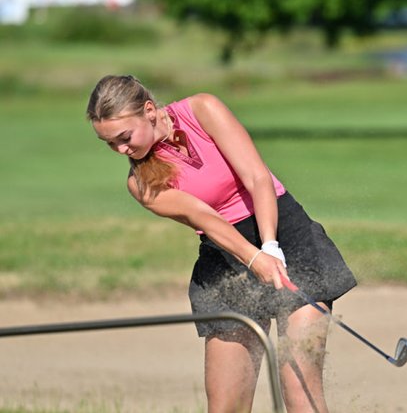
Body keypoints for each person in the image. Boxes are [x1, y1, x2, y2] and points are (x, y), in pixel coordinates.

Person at [86, 74, 357, 413]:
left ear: (149, 110)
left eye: (123, 138)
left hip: (288, 236)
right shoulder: (140, 183)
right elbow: (209, 221)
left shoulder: (203, 109)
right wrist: (254, 257)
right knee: (228, 405)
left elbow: (257, 176)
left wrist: (270, 245)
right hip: (226, 257)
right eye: (109, 143)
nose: (120, 150)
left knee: (298, 385)